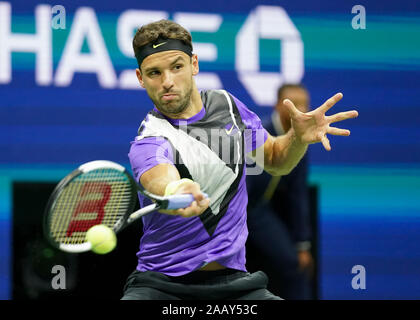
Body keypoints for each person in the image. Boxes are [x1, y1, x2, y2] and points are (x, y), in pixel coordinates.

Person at [122, 19, 358, 300]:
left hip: (234, 285)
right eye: (154, 73)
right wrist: (176, 190)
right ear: (140, 78)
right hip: (161, 285)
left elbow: (275, 158)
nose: (167, 81)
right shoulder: (149, 138)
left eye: (177, 66)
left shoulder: (227, 106)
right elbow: (159, 177)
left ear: (194, 64)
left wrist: (297, 138)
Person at [246, 84, 314, 300]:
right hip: (239, 210)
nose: (299, 109)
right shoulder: (258, 134)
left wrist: (302, 243)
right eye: (293, 103)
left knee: (294, 263)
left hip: (261, 211)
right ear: (277, 105)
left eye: (304, 104)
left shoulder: (301, 140)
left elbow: (298, 195)